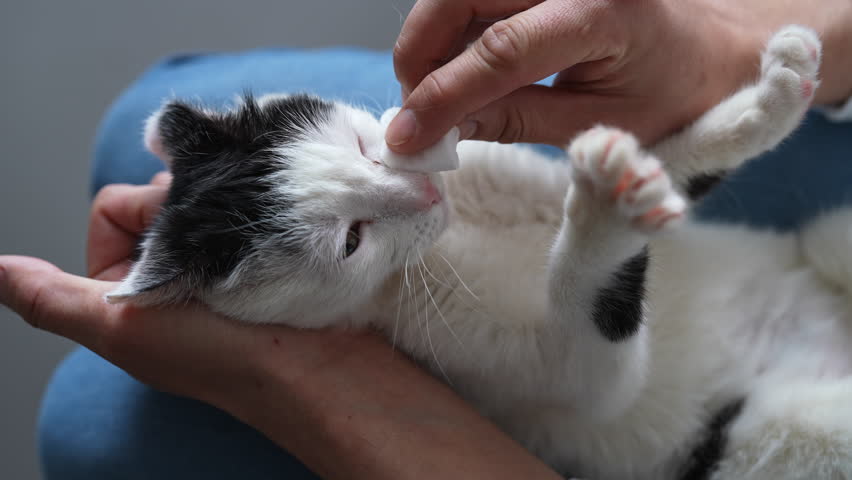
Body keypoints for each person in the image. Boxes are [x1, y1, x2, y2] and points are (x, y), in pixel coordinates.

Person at [1, 1, 850, 478]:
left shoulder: (419, 186)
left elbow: (641, 191)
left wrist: (746, 118)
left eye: (365, 147)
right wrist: (601, 233)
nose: (415, 195)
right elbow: (593, 384)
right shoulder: (422, 324)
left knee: (86, 417)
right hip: (745, 423)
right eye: (353, 241)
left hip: (795, 275)